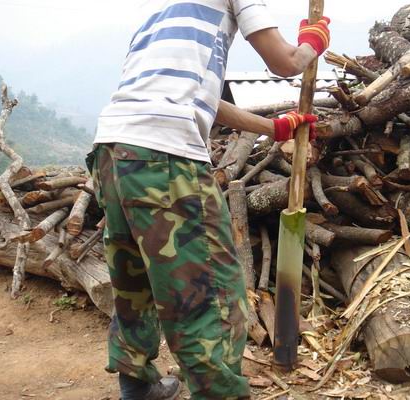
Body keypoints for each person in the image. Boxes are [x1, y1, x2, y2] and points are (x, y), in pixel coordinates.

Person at [88, 1, 330, 399]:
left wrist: (274, 127)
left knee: (134, 276)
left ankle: (137, 388)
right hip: (166, 157)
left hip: (113, 150)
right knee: (210, 294)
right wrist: (312, 42)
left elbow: (202, 99)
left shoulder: (162, 15)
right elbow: (285, 62)